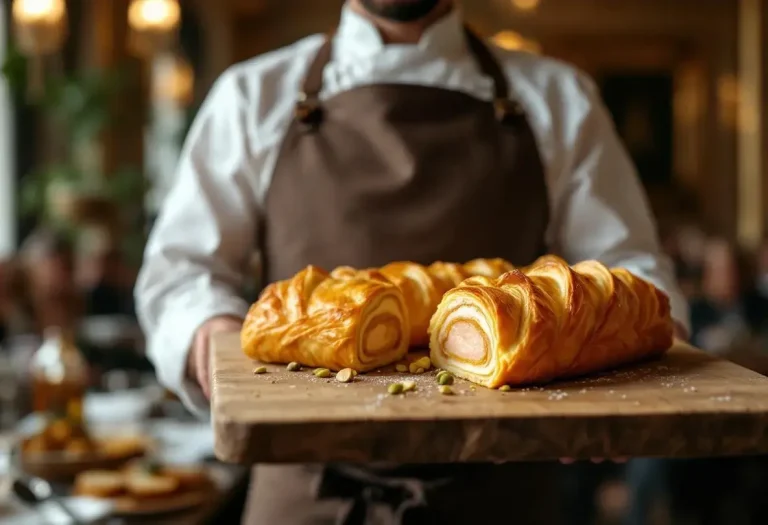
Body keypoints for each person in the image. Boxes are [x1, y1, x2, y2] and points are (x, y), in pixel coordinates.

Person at [135, 1, 689, 523]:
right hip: (305, 496)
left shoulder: (558, 96)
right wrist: (216, 343)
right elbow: (181, 273)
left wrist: (612, 386)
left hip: (505, 497)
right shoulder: (252, 96)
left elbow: (631, 274)